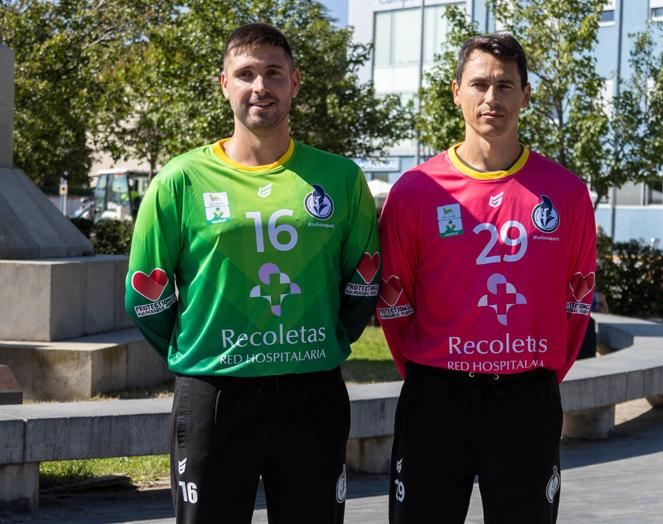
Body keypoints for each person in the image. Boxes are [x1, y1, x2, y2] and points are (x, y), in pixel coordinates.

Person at [124, 23, 380, 524]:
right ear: (224, 83)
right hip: (215, 393)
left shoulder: (341, 178)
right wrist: (199, 349)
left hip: (312, 391)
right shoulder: (180, 179)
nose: (259, 86)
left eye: (273, 74)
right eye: (245, 74)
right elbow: (146, 298)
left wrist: (323, 340)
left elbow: (362, 285)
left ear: (295, 83)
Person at [377, 33, 596, 524]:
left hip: (527, 397)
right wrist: (432, 368)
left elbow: (576, 300)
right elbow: (394, 302)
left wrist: (538, 370)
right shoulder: (416, 190)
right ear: (456, 91)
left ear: (526, 94)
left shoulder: (565, 193)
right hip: (436, 396)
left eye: (504, 85)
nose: (491, 98)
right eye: (479, 84)